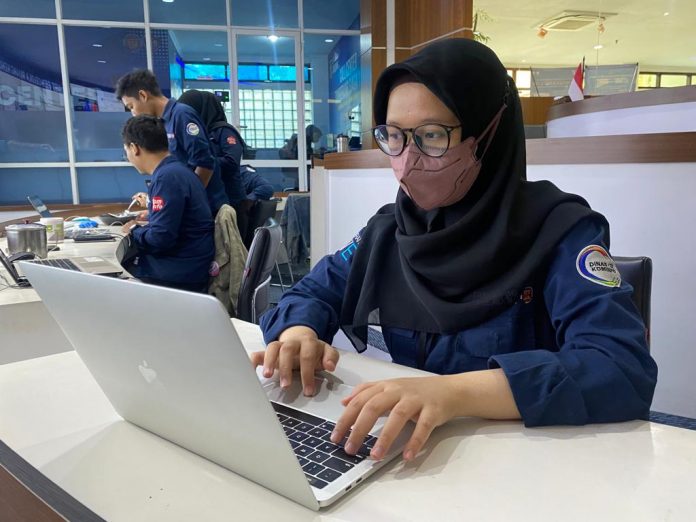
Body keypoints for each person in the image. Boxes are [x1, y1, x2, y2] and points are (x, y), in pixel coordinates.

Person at [253, 39, 657, 464]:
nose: (407, 159)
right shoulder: (388, 231)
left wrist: (454, 393)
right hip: (405, 453)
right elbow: (313, 291)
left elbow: (620, 367)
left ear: (488, 134)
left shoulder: (559, 231)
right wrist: (297, 334)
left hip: (522, 463)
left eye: (432, 135)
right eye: (394, 136)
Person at [120, 115, 215, 293]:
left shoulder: (166, 177)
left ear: (134, 148)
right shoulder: (178, 170)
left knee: (113, 279)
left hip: (177, 274)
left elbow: (160, 238)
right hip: (191, 265)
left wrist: (134, 229)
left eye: (126, 152)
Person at [115, 70, 228, 215]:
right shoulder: (162, 123)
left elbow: (205, 163)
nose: (133, 113)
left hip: (203, 207)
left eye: (131, 106)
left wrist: (189, 200)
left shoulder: (182, 115)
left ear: (143, 95)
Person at [177, 90, 248, 232]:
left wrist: (203, 161)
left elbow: (231, 161)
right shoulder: (199, 133)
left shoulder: (224, 131)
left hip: (230, 203)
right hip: (210, 202)